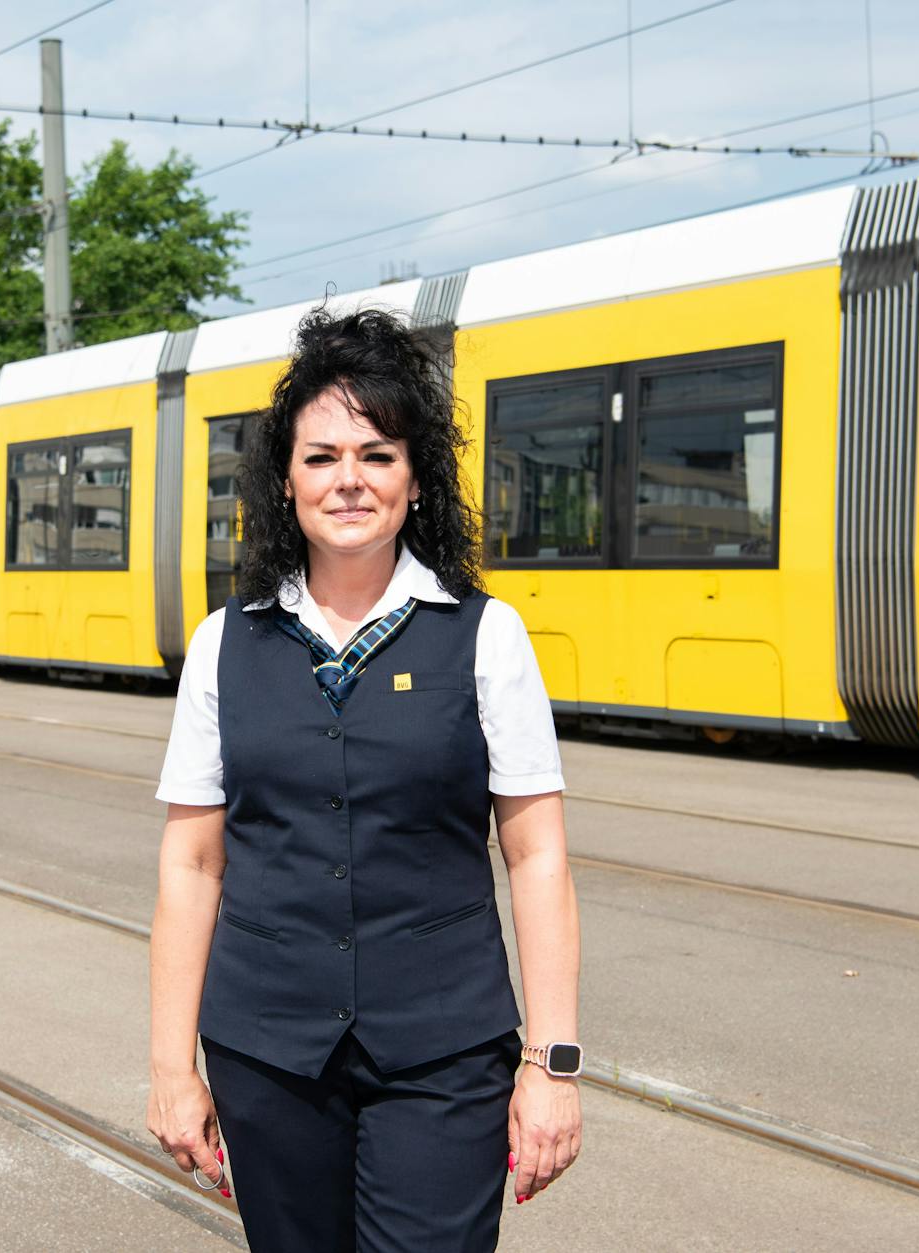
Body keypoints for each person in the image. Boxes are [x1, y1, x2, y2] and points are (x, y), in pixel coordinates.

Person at [147, 307, 582, 1252]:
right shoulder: (226, 644)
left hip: (444, 1051)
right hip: (268, 1052)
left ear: (417, 479)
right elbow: (190, 863)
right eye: (321, 456)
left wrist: (553, 1065)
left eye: (378, 454)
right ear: (285, 480)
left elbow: (537, 853)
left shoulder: (485, 633)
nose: (349, 479)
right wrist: (171, 1068)